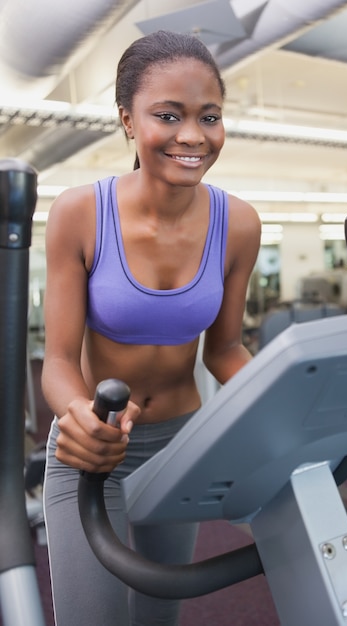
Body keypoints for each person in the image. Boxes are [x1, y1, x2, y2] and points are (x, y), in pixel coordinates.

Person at [42, 29, 261, 626]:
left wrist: (280, 399)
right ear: (128, 121)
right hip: (93, 447)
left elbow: (225, 349)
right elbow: (58, 360)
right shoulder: (79, 212)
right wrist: (75, 416)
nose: (193, 135)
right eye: (168, 115)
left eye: (209, 116)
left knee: (161, 615)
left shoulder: (238, 223)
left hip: (181, 444)